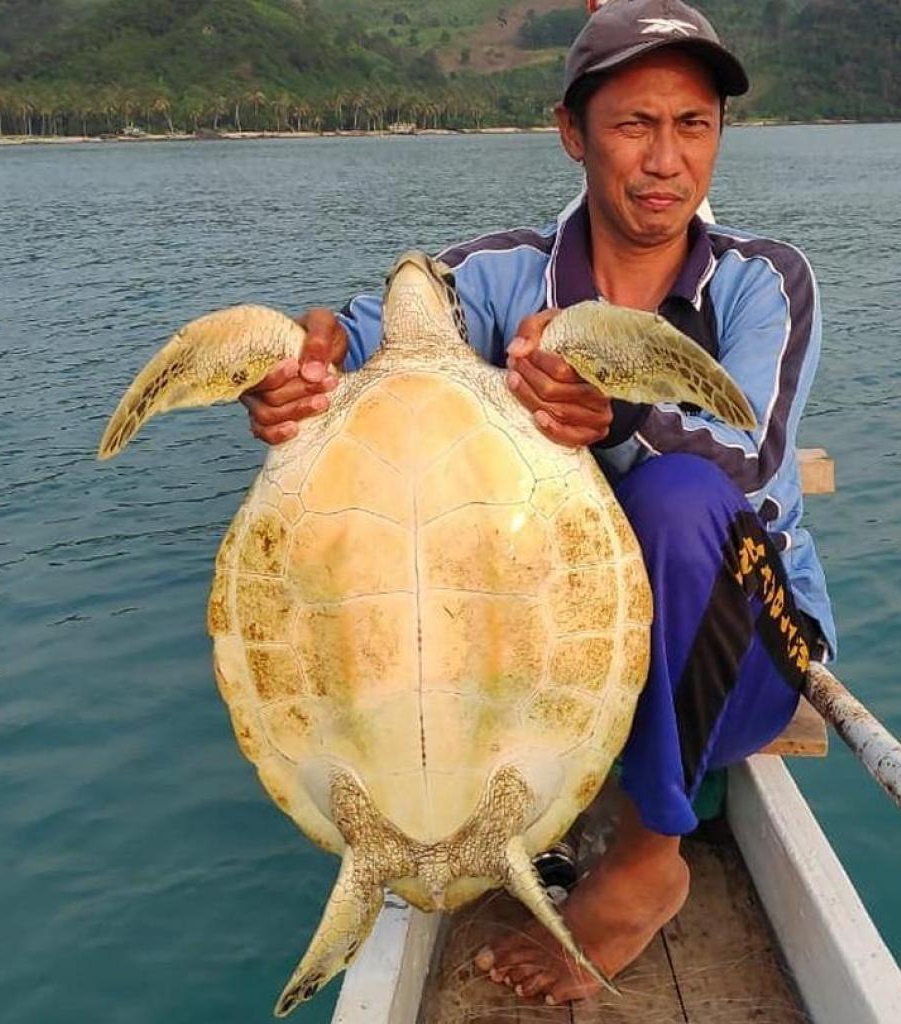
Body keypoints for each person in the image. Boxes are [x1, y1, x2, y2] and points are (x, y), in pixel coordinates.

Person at [242, 0, 836, 1005]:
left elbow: (755, 459)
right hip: (544, 671)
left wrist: (615, 416)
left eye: (692, 125)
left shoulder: (761, 281)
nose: (664, 160)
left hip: (735, 661)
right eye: (632, 124)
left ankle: (647, 857)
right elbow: (362, 338)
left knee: (681, 495)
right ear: (571, 131)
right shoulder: (494, 277)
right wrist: (295, 370)